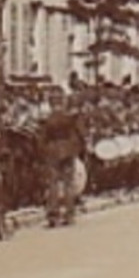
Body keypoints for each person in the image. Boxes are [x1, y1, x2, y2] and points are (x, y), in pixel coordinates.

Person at [39, 89, 85, 227]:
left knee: (52, 184)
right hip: (68, 150)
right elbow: (79, 133)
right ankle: (69, 214)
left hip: (52, 151)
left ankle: (53, 215)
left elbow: (42, 138)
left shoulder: (48, 119)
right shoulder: (69, 117)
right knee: (68, 184)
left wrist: (43, 151)